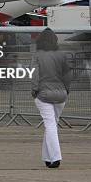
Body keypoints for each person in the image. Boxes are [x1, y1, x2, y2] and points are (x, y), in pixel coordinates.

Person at [31, 28, 71, 169]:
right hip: (61, 95)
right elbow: (67, 75)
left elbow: (35, 75)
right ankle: (47, 157)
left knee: (50, 125)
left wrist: (34, 90)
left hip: (44, 94)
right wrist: (66, 89)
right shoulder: (62, 55)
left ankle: (55, 158)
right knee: (52, 125)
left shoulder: (37, 55)